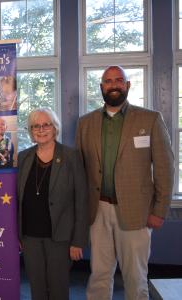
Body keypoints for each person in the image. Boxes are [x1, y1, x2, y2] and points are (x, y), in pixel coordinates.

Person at [75, 65, 174, 300]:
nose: (114, 85)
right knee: (99, 274)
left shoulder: (150, 119)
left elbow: (165, 168)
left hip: (137, 213)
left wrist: (159, 210)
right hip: (97, 211)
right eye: (108, 81)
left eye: (119, 80)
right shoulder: (85, 123)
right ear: (101, 87)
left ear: (127, 85)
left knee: (135, 276)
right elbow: (79, 171)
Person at [17, 108, 88, 300]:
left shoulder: (71, 156)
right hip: (30, 237)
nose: (41, 129)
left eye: (46, 124)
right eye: (35, 126)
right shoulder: (23, 158)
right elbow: (17, 200)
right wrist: (17, 234)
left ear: (55, 128)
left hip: (61, 238)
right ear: (31, 131)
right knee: (37, 289)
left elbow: (81, 201)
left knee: (58, 289)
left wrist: (78, 241)